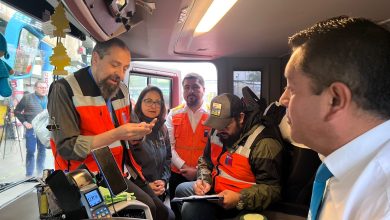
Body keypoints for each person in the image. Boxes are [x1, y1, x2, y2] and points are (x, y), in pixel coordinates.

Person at [278, 16, 390, 220]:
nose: (283, 99)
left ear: (335, 100)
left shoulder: (384, 205)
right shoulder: (342, 164)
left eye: (292, 88)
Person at [48, 38, 170, 220]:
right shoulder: (64, 89)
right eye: (115, 65)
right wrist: (118, 134)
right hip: (83, 180)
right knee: (149, 210)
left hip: (119, 173)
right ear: (95, 59)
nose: (120, 74)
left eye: (125, 68)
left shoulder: (121, 90)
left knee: (163, 212)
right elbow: (67, 147)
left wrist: (138, 135)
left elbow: (130, 129)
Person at [176, 93, 283, 220]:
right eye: (217, 124)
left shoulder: (264, 144)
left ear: (241, 118)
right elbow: (206, 161)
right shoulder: (216, 131)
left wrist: (240, 198)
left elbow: (272, 190)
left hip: (244, 203)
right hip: (216, 193)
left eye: (226, 125)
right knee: (181, 189)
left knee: (190, 209)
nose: (220, 130)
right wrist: (204, 180)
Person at [165, 72, 210, 217]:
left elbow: (215, 150)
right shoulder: (173, 114)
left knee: (196, 213)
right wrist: (184, 167)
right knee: (177, 213)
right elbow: (169, 147)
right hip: (177, 173)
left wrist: (197, 171)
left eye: (195, 87)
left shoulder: (212, 116)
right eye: (187, 87)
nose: (190, 91)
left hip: (203, 176)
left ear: (204, 89)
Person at [132, 86, 172, 201]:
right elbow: (127, 165)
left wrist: (163, 181)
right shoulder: (132, 129)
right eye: (148, 101)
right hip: (139, 190)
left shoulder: (163, 129)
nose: (153, 106)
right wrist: (146, 185)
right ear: (140, 103)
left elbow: (168, 159)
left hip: (160, 190)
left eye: (157, 102)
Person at [15, 80, 47, 177]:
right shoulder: (27, 98)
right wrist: (24, 122)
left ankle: (40, 172)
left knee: (42, 151)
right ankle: (29, 174)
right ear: (35, 88)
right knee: (31, 151)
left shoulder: (49, 98)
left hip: (44, 130)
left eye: (45, 87)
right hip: (31, 129)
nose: (43, 89)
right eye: (41, 87)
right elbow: (17, 111)